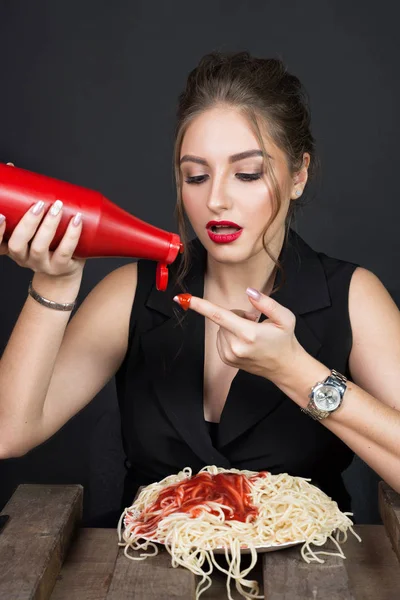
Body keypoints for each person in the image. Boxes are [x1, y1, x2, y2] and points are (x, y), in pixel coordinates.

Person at [0, 52, 399, 527]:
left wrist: (296, 371)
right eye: (196, 175)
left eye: (247, 173)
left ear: (298, 175)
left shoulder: (354, 297)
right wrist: (56, 279)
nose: (216, 199)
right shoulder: (129, 293)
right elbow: (9, 433)